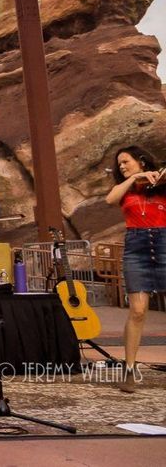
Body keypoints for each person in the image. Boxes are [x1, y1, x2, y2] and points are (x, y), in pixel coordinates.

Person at [104, 146, 166, 393]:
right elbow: (110, 199)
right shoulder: (126, 188)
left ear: (140, 160)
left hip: (164, 244)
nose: (122, 166)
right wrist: (132, 178)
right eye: (119, 164)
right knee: (138, 311)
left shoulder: (161, 183)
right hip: (136, 247)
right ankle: (129, 370)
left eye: (126, 161)